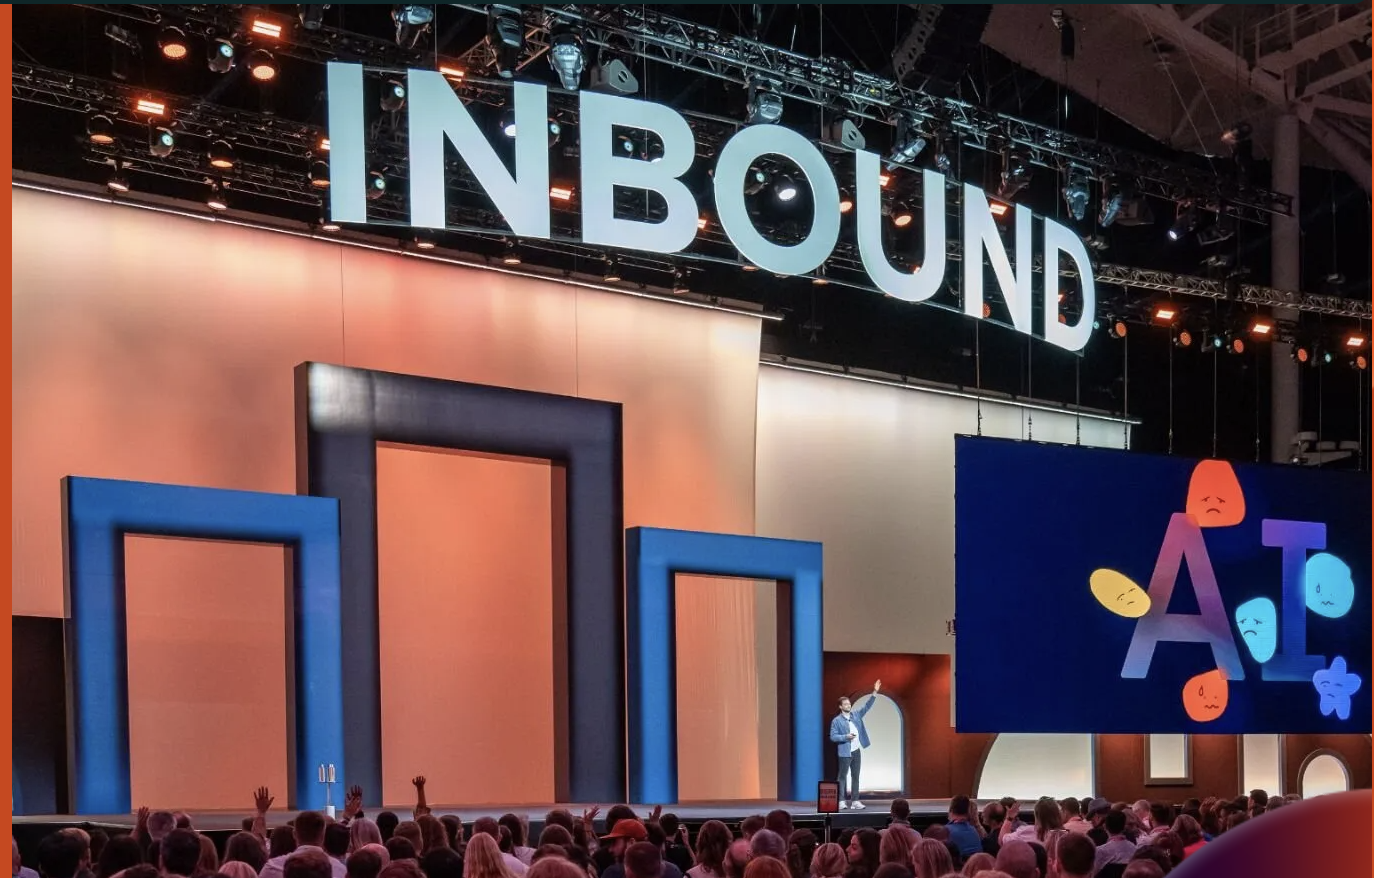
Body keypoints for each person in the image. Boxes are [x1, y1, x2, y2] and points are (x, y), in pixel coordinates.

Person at [829, 681, 881, 810]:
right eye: (845, 704)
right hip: (845, 752)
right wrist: (845, 737)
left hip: (856, 751)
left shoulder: (856, 715)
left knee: (855, 776)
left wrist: (875, 692)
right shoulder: (836, 721)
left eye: (849, 703)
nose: (848, 705)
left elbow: (867, 706)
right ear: (841, 707)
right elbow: (833, 736)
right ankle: (841, 801)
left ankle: (855, 801)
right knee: (842, 777)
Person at [261, 813, 347, 878]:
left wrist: (261, 813)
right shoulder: (341, 870)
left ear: (294, 834)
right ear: (323, 835)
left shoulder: (272, 867)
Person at [601, 823, 681, 878]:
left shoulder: (613, 873)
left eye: (615, 843)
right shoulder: (673, 870)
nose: (610, 849)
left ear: (632, 842)